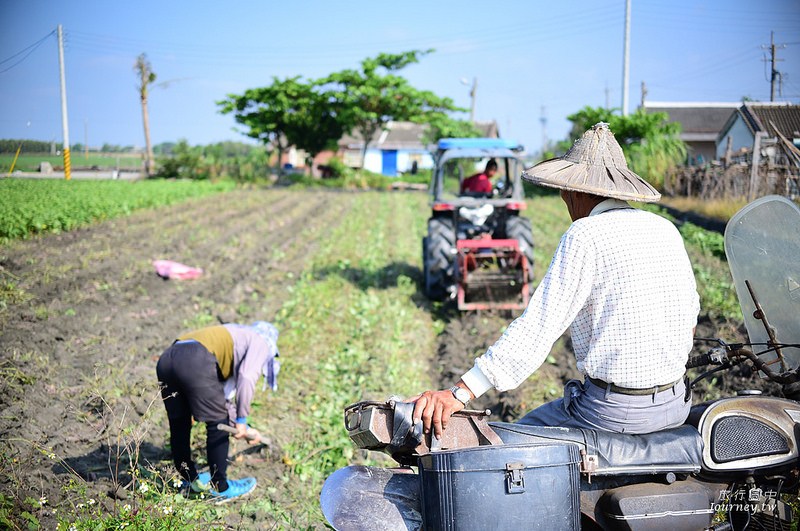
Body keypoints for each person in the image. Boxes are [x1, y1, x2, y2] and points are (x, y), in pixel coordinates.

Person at [412, 122, 700, 439]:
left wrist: (457, 394)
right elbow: (688, 321)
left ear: (570, 191)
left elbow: (538, 329)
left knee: (501, 444)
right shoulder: (665, 229)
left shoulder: (584, 235)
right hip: (676, 402)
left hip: (612, 412)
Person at [156, 320, 280, 502]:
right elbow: (246, 376)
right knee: (218, 422)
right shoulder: (261, 340)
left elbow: (221, 399)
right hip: (195, 359)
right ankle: (220, 487)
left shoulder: (235, 336)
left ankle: (190, 481)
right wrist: (241, 421)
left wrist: (243, 427)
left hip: (166, 360)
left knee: (179, 424)